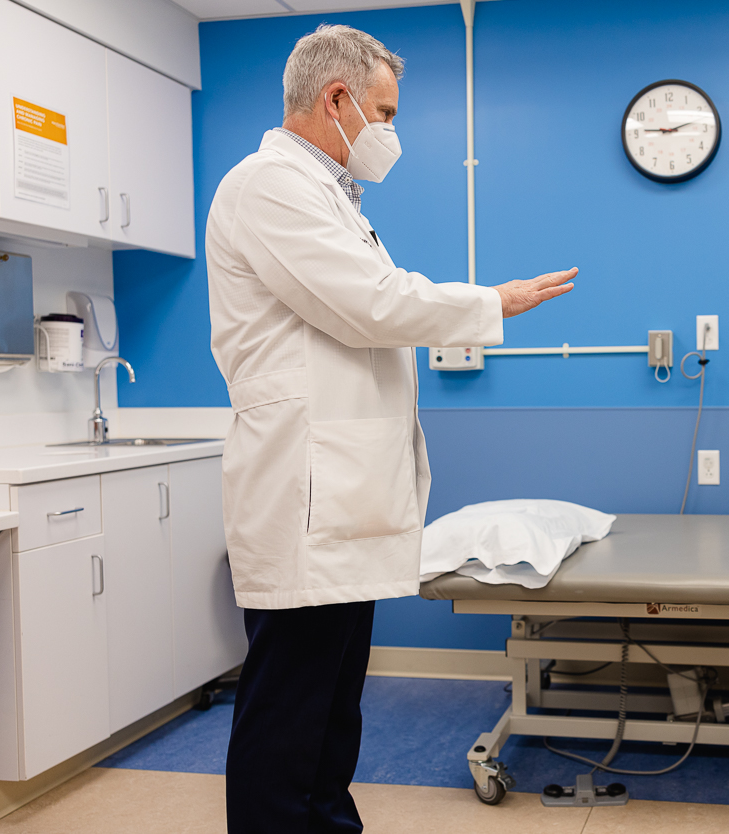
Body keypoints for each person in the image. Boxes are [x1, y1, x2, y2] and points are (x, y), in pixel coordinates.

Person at [205, 24, 575, 833]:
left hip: (342, 499)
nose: (390, 133)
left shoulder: (328, 196)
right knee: (289, 717)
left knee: (331, 717)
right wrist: (496, 301)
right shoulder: (267, 185)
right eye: (385, 112)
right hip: (305, 500)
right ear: (335, 99)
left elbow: (368, 307)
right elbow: (373, 305)